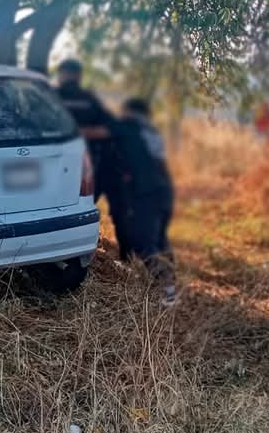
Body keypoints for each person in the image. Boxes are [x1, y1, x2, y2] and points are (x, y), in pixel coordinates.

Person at [109, 98, 177, 306]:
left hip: (147, 193)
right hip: (164, 191)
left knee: (144, 242)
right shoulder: (151, 132)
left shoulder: (129, 128)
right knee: (159, 239)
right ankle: (170, 286)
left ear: (129, 111)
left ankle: (166, 289)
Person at [55, 59, 114, 200]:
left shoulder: (50, 96)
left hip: (56, 161)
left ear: (61, 75)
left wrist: (74, 133)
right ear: (79, 76)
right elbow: (110, 129)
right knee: (83, 202)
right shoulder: (89, 99)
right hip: (86, 162)